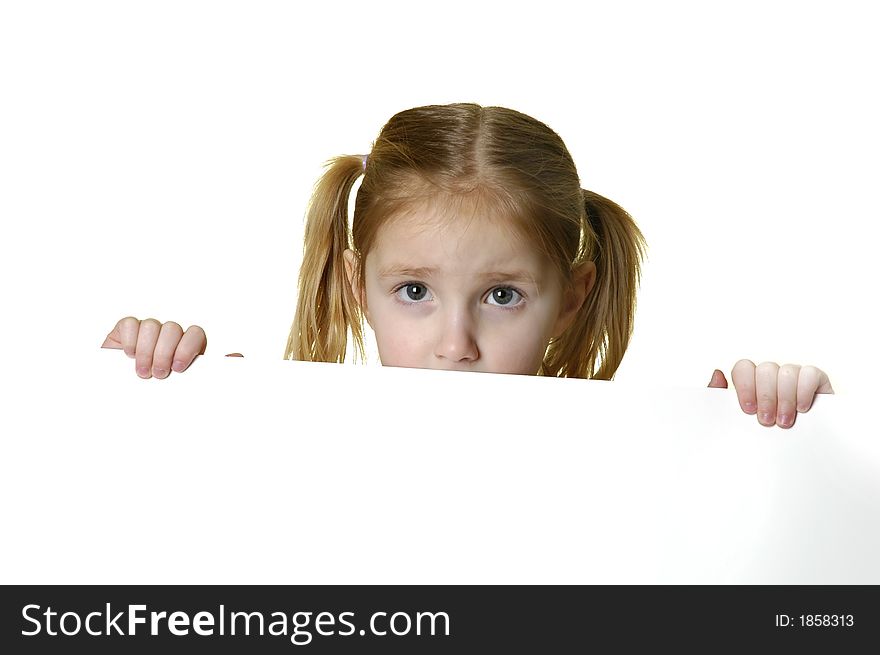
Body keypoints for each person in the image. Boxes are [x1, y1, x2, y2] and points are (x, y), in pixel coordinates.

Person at [101, 102, 833, 429]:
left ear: (573, 296)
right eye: (414, 290)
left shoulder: (641, 455)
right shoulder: (278, 436)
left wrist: (782, 429)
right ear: (359, 286)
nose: (457, 345)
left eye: (504, 295)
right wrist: (150, 390)